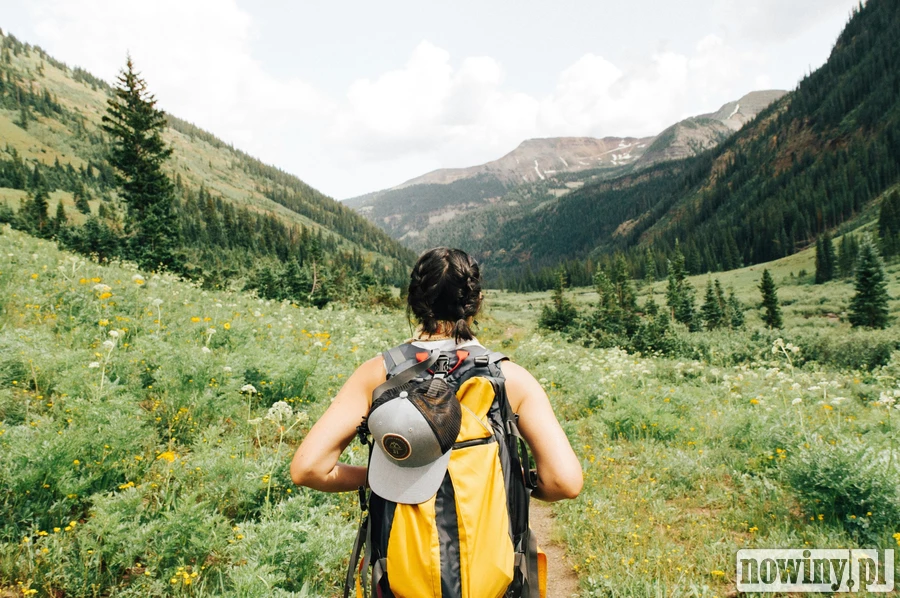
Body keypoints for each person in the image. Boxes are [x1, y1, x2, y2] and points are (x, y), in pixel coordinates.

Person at [290, 247, 582, 593]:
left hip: (403, 582)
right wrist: (515, 480)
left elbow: (308, 468)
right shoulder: (510, 378)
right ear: (477, 302)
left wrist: (382, 477)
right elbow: (565, 482)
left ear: (413, 302)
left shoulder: (378, 374)